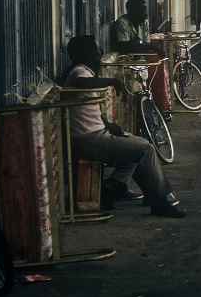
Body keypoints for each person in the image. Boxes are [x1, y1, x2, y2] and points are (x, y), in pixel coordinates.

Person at [63, 35, 185, 218]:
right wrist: (112, 81)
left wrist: (109, 124)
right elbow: (83, 84)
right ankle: (160, 201)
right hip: (89, 139)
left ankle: (113, 190)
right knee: (145, 149)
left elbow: (89, 107)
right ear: (85, 54)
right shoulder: (78, 72)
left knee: (135, 147)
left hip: (98, 134)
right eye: (95, 51)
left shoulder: (85, 71)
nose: (99, 54)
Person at [109, 0, 171, 115]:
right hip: (127, 60)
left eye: (144, 10)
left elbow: (143, 43)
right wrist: (149, 47)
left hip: (140, 57)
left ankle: (161, 106)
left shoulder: (143, 22)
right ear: (132, 11)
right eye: (142, 10)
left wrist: (145, 46)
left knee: (160, 65)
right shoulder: (122, 23)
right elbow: (125, 46)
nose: (145, 13)